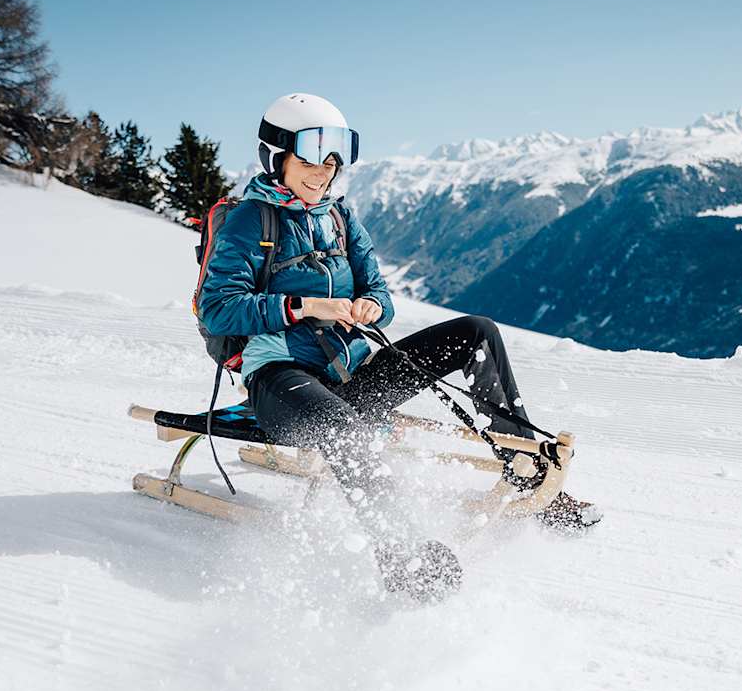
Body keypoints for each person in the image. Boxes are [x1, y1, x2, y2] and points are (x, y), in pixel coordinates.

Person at [197, 94, 597, 602]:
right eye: (308, 160)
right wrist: (303, 306)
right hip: (281, 381)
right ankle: (403, 552)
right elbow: (219, 308)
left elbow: (382, 296)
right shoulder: (250, 221)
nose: (322, 173)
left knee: (477, 331)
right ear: (276, 159)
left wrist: (370, 306)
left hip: (348, 375)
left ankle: (528, 476)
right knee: (341, 425)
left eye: (331, 161)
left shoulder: (340, 218)